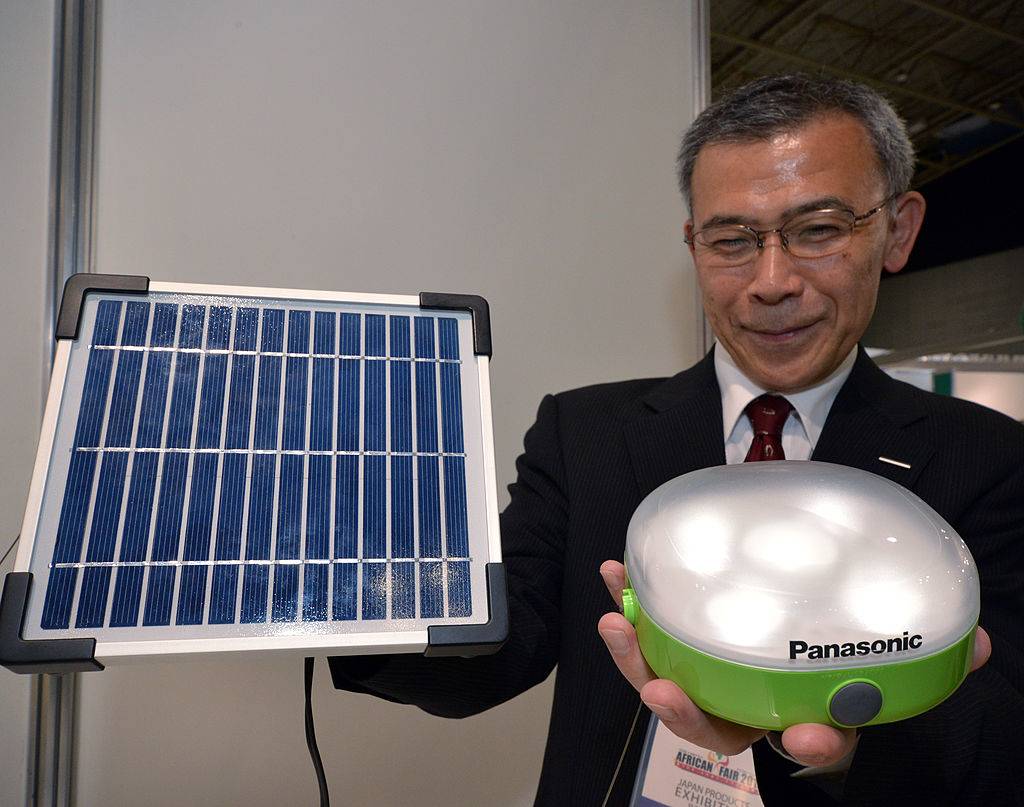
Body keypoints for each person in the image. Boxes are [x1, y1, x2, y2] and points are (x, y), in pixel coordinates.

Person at [330, 74, 1024, 805]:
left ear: (898, 230)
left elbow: (1003, 742)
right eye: (732, 240)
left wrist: (847, 751)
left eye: (818, 230)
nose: (772, 280)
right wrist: (340, 586)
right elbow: (494, 651)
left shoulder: (987, 460)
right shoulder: (586, 434)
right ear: (693, 246)